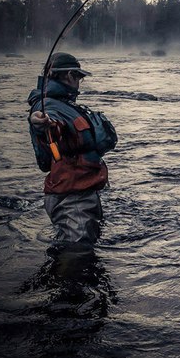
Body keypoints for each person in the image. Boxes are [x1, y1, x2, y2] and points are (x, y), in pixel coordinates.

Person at [28, 52, 117, 245]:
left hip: (79, 193)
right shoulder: (50, 106)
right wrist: (41, 123)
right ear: (70, 75)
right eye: (79, 78)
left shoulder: (62, 103)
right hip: (72, 198)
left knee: (80, 254)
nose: (79, 83)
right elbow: (51, 124)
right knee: (75, 258)